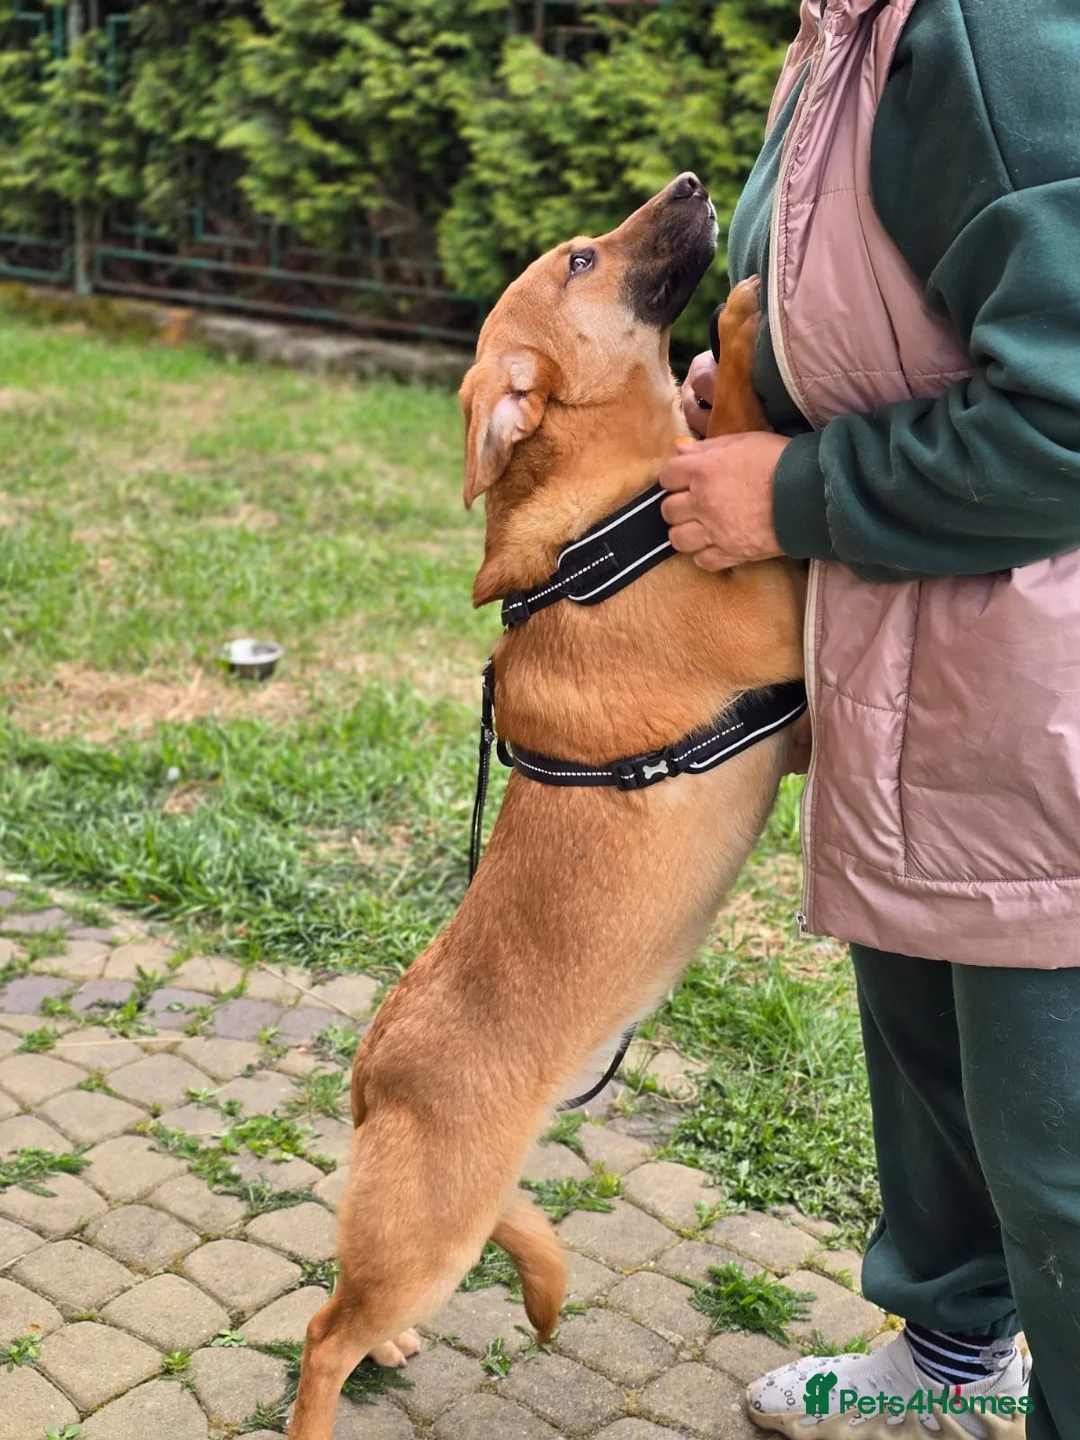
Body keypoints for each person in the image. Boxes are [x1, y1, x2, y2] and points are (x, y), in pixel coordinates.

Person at [658, 0, 1080, 1436]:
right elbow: (893, 310)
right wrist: (762, 392)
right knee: (933, 1056)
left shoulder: (1002, 33)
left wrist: (787, 493)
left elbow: (1068, 422)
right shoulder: (849, 25)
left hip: (1044, 695)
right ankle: (953, 1366)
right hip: (913, 664)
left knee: (1060, 1153)